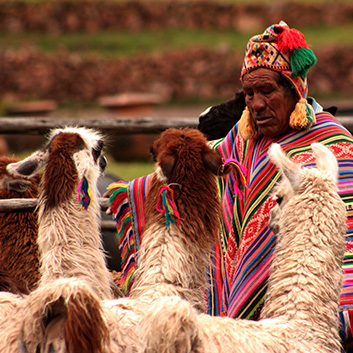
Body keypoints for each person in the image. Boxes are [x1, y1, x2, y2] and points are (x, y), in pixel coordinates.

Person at [106, 21, 353, 348]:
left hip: (306, 305)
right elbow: (200, 165)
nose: (257, 104)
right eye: (249, 94)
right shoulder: (242, 140)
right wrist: (138, 190)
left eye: (267, 90)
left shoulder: (334, 146)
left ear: (296, 90)